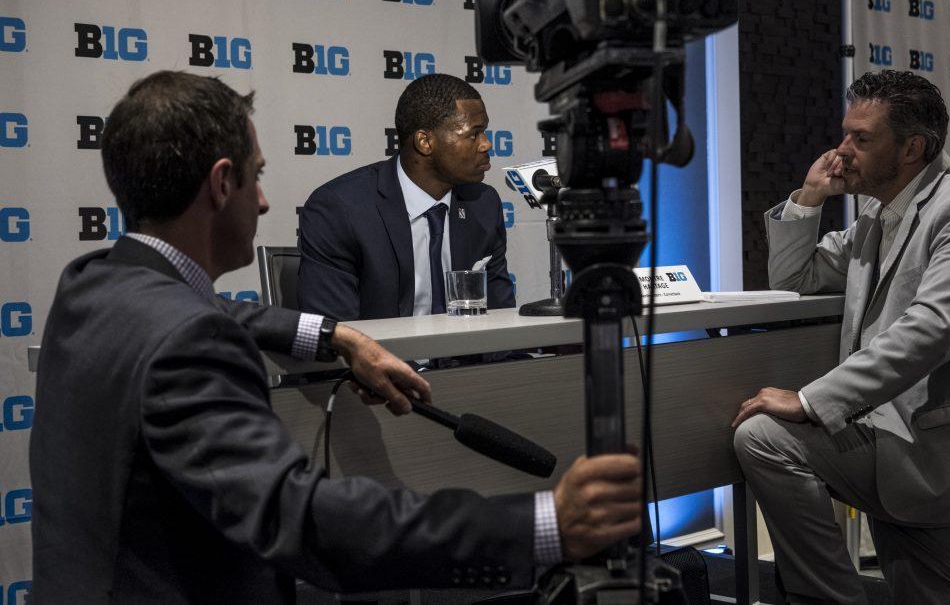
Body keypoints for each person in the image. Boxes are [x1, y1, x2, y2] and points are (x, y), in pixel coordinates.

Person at [29, 71, 643, 603]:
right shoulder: (189, 341)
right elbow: (303, 522)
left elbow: (208, 309)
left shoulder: (92, 285)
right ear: (222, 185)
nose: (266, 202)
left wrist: (334, 335)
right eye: (256, 176)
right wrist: (544, 523)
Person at [732, 70, 950, 604]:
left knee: (765, 438)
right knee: (933, 594)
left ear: (913, 148)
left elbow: (932, 330)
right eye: (845, 134)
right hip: (886, 429)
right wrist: (809, 199)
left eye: (861, 139)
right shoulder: (875, 213)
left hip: (931, 436)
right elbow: (795, 280)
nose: (841, 151)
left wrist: (808, 399)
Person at [298, 73, 515, 320]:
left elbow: (501, 316)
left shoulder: (483, 204)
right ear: (425, 142)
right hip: (380, 357)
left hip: (467, 357)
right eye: (473, 134)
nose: (486, 144)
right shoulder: (339, 209)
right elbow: (337, 334)